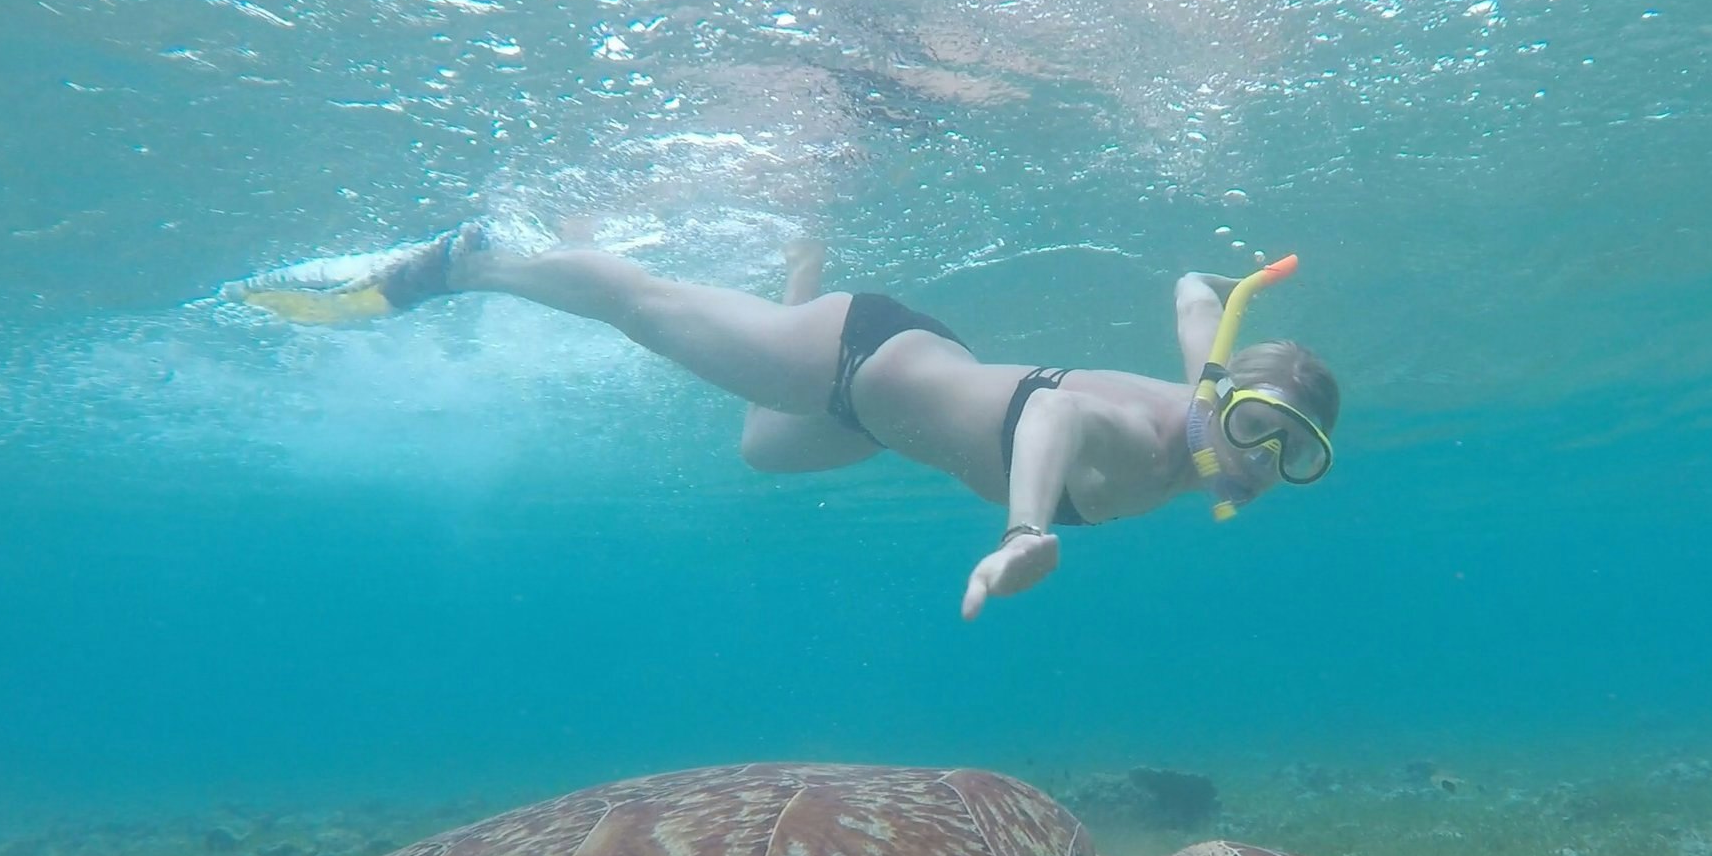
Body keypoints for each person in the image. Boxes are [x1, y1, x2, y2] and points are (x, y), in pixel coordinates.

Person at [224, 225, 1339, 619]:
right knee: (642, 310)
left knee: (761, 449)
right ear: (1230, 401)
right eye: (1259, 424)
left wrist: (1207, 305)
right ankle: (472, 262)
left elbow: (1198, 300)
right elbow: (1055, 411)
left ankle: (796, 270)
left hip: (870, 413)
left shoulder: (1205, 408)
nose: (1260, 462)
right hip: (863, 354)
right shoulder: (1154, 440)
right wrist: (1021, 533)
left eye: (1294, 453)